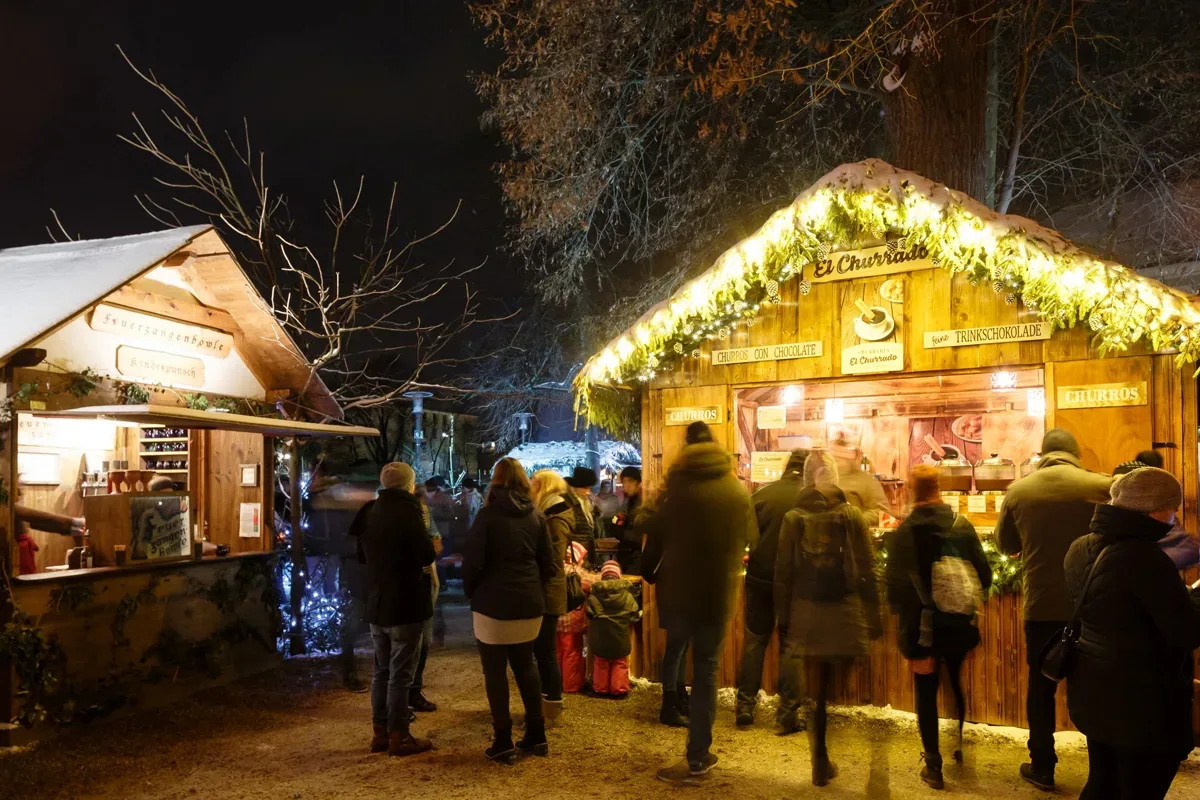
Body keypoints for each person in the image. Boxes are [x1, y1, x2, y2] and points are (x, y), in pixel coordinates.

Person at [1064, 467, 1200, 800]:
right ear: (1153, 510)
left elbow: (1116, 610)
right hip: (1142, 704)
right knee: (1141, 789)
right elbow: (1187, 633)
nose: (1174, 516)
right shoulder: (1145, 559)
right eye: (1171, 508)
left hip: (1095, 691)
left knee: (1103, 784)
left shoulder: (1080, 547)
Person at [643, 420, 758, 784]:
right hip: (717, 594)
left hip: (680, 592)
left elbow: (648, 526)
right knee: (707, 671)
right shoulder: (735, 490)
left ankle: (676, 713)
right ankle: (698, 755)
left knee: (677, 653)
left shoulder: (677, 488)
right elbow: (750, 537)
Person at [997, 428, 1112, 791]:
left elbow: (1006, 545)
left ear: (1042, 454)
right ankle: (1103, 771)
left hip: (1042, 605)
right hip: (1093, 605)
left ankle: (1043, 766)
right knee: (1096, 688)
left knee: (1041, 688)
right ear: (1075, 454)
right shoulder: (1102, 485)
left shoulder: (1019, 490)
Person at [775, 450, 882, 787]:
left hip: (806, 613)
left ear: (807, 479)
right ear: (834, 478)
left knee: (816, 690)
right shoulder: (851, 515)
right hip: (843, 612)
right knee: (831, 688)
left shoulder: (793, 517)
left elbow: (783, 573)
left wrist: (784, 619)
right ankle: (830, 753)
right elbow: (867, 567)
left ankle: (819, 757)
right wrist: (874, 614)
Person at [885, 465, 991, 790]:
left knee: (926, 691)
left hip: (921, 628)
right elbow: (985, 575)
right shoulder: (962, 525)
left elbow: (893, 588)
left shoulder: (904, 532)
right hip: (958, 624)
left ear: (911, 492)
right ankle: (958, 743)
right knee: (955, 681)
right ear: (938, 488)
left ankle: (933, 765)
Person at [463, 457, 556, 761]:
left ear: (496, 479)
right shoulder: (537, 516)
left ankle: (503, 739)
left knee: (495, 671)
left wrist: (472, 593)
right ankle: (536, 734)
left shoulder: (487, 516)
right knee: (526, 665)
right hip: (529, 602)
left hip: (492, 603)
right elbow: (549, 563)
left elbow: (473, 563)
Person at [350, 462, 436, 758]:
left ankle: (380, 733)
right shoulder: (409, 511)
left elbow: (361, 556)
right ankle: (400, 735)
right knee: (400, 674)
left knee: (381, 671)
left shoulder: (370, 510)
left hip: (377, 602)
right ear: (410, 485)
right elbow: (426, 554)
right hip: (405, 603)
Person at [737, 448, 808, 731]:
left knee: (754, 641)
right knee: (791, 645)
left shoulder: (762, 495)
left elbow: (745, 536)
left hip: (760, 576)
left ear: (786, 467)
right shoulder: (813, 498)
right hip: (796, 582)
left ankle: (745, 706)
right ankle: (788, 713)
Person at [529, 469, 573, 724]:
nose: (530, 488)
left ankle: (551, 706)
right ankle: (547, 705)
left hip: (548, 591)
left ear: (544, 486)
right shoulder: (549, 511)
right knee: (543, 650)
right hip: (546, 589)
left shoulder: (555, 516)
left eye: (534, 484)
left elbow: (554, 560)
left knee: (545, 651)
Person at [1113, 454, 1199, 570]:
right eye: (1115, 483)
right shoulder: (1111, 513)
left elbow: (1188, 547)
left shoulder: (1157, 514)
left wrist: (1145, 565)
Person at [409, 484, 443, 713]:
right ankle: (404, 695)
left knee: (422, 640)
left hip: (424, 580)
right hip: (412, 583)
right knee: (412, 641)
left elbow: (437, 545)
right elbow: (435, 545)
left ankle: (412, 691)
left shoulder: (424, 513)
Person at [585, 560, 642, 698]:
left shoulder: (595, 594)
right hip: (620, 636)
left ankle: (600, 689)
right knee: (620, 662)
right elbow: (634, 614)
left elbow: (589, 612)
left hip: (600, 638)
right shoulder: (626, 595)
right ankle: (619, 690)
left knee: (601, 662)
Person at [557, 542, 598, 694]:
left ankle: (557, 682)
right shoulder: (575, 571)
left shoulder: (556, 567)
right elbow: (594, 582)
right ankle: (571, 685)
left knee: (557, 652)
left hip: (556, 618)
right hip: (572, 620)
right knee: (572, 652)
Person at [830, 439, 891, 526]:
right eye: (834, 458)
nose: (836, 461)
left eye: (840, 459)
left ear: (850, 459)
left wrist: (857, 521)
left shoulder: (867, 480)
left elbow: (882, 512)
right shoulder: (824, 478)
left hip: (854, 532)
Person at [563, 466, 598, 562]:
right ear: (577, 486)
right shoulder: (568, 502)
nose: (588, 492)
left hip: (583, 553)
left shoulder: (584, 502)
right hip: (574, 554)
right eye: (586, 488)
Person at [614, 466, 644, 575]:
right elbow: (618, 519)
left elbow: (639, 535)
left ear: (637, 482)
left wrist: (622, 533)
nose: (626, 487)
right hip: (627, 555)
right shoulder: (629, 501)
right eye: (624, 483)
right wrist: (616, 523)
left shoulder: (642, 502)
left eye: (629, 482)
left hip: (636, 557)